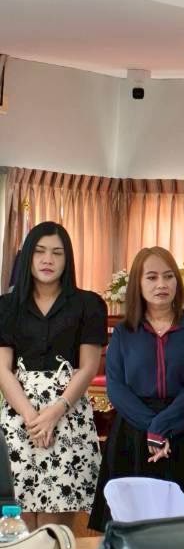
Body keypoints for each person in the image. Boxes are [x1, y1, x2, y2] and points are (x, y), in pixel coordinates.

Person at [88, 247, 184, 530]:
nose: (161, 284)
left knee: (183, 529)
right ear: (138, 283)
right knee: (130, 527)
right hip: (133, 434)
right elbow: (117, 388)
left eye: (168, 276)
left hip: (181, 430)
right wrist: (152, 428)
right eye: (152, 277)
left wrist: (162, 427)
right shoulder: (124, 332)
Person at [0, 222, 104, 529]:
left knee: (54, 529)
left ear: (67, 259)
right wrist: (32, 417)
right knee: (17, 525)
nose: (48, 260)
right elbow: (2, 369)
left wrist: (54, 413)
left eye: (57, 253)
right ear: (28, 257)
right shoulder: (6, 306)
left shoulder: (88, 304)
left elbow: (88, 367)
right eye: (40, 251)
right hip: (19, 416)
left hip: (67, 415)